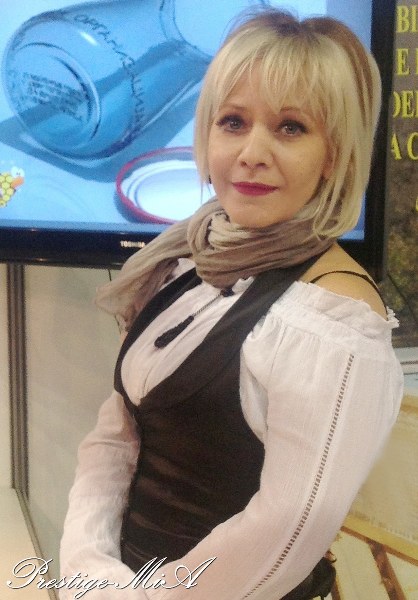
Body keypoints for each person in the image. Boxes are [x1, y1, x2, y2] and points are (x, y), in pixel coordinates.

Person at [59, 8, 404, 600]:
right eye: (234, 121)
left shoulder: (331, 321)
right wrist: (88, 573)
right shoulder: (186, 260)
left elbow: (282, 537)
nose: (251, 152)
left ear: (333, 154)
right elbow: (118, 435)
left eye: (290, 127)